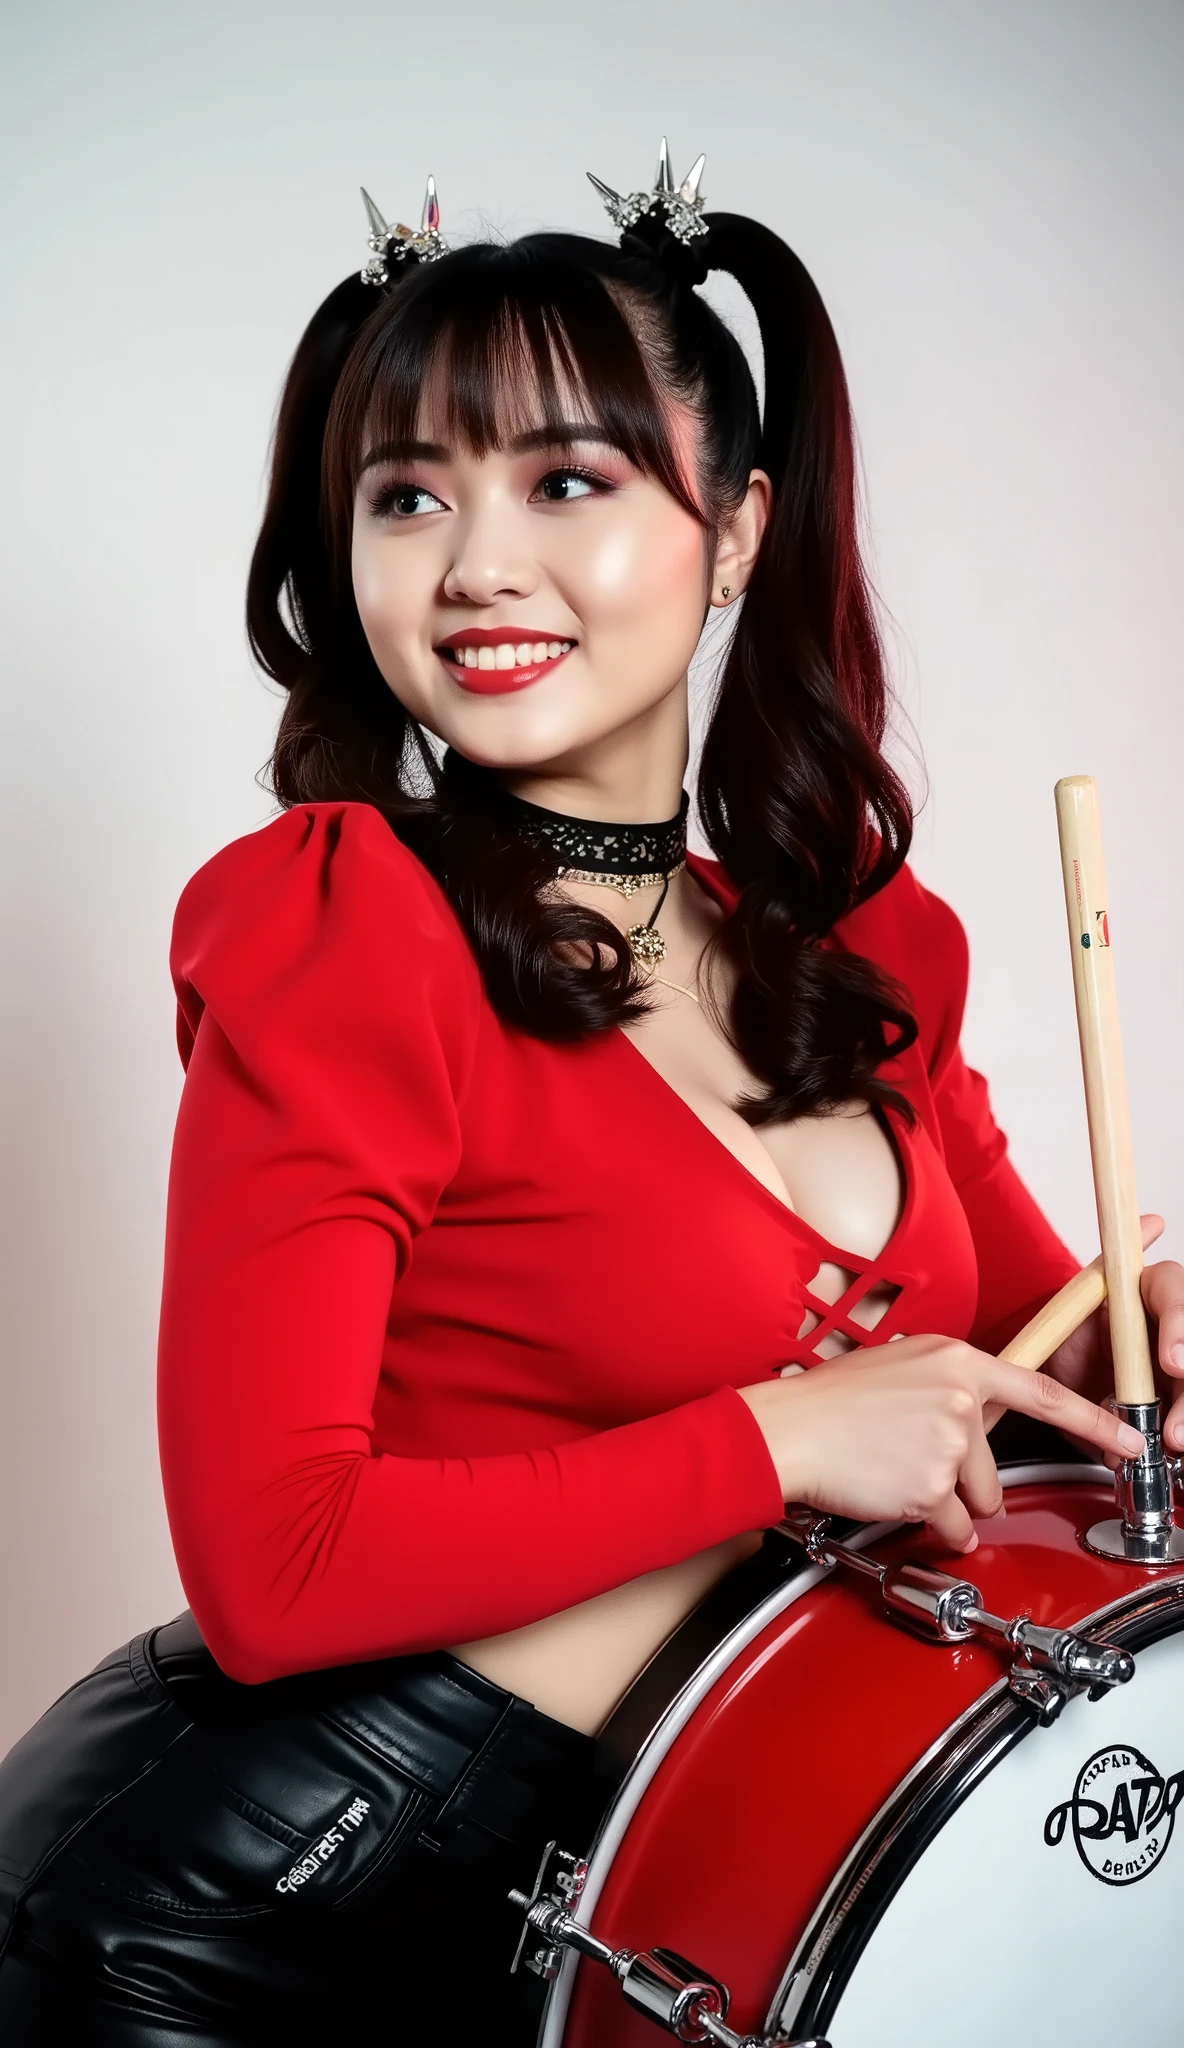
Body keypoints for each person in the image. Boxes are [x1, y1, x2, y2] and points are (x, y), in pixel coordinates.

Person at [1, 141, 1180, 2044]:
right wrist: (779, 1441)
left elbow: (1018, 1356)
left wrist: (1147, 1340)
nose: (477, 564)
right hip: (233, 1928)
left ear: (737, 529)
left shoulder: (857, 947)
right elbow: (274, 1565)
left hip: (650, 1903)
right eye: (409, 495)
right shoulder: (344, 930)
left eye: (567, 480)